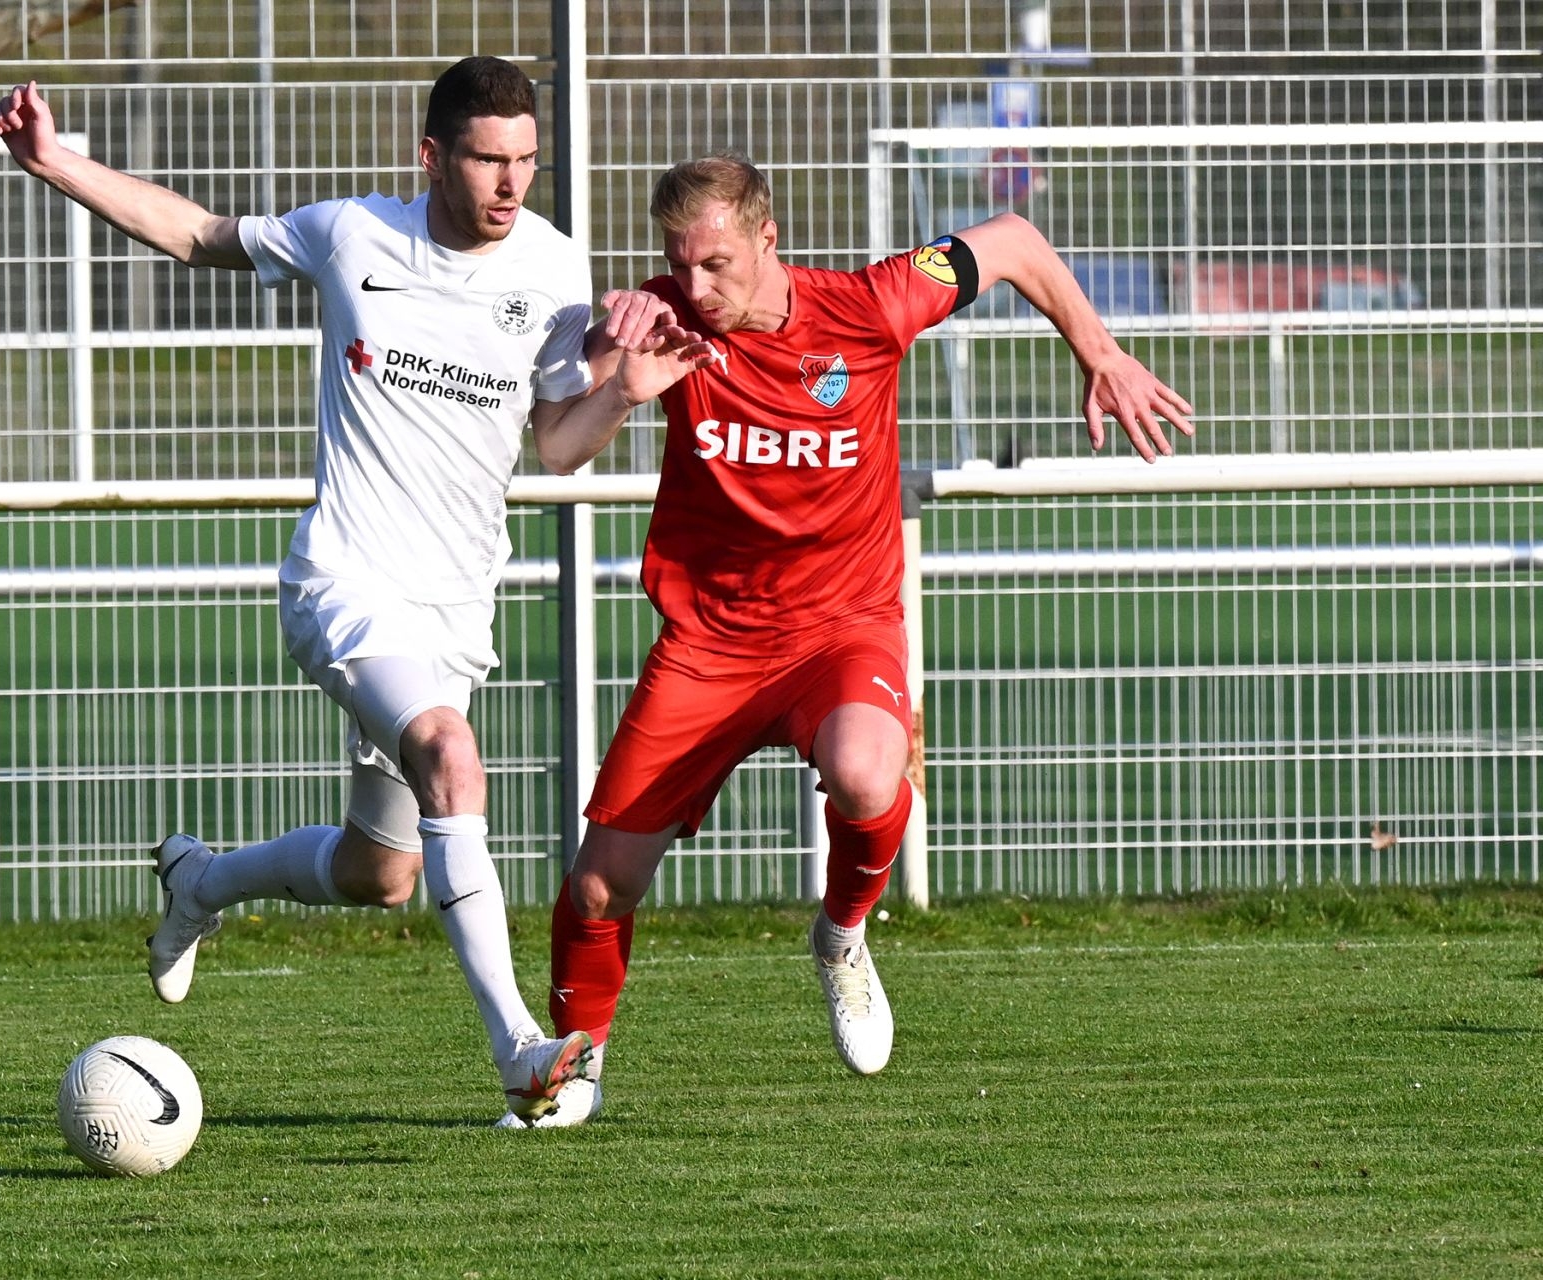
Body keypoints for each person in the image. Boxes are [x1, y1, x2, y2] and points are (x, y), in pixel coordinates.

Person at [0, 58, 710, 1122]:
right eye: (486, 159)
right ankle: (517, 1047)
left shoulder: (556, 266)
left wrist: (625, 392)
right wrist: (56, 162)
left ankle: (202, 881)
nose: (510, 184)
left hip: (453, 610)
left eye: (524, 161)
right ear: (432, 155)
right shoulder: (352, 234)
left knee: (382, 871)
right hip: (346, 578)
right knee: (451, 755)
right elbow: (201, 235)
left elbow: (555, 445)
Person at [510, 153, 1195, 1128]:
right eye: (678, 264)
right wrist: (622, 381)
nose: (695, 287)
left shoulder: (873, 305)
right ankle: (573, 1071)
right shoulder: (660, 317)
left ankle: (840, 934)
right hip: (712, 640)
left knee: (871, 774)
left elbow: (1014, 242)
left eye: (715, 265)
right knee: (594, 885)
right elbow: (558, 449)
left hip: (843, 623)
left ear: (766, 240)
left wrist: (1099, 351)